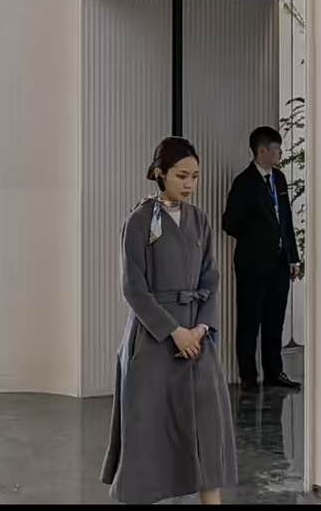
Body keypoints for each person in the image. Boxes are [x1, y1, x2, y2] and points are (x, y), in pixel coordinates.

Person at [101, 136, 237, 505]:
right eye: (181, 176)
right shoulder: (139, 221)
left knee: (208, 430)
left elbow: (211, 279)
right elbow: (133, 288)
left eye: (195, 176)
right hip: (153, 339)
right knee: (148, 433)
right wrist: (174, 332)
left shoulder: (200, 220)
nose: (190, 184)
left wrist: (201, 329)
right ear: (160, 173)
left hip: (198, 339)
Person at [222, 126, 301, 392]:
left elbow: (286, 220)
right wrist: (257, 237)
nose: (280, 153)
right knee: (249, 320)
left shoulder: (279, 179)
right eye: (276, 149)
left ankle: (274, 373)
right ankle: (248, 376)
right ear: (263, 150)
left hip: (279, 262)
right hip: (253, 264)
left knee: (274, 320)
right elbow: (229, 223)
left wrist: (293, 257)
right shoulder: (244, 183)